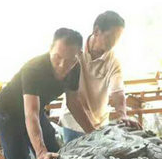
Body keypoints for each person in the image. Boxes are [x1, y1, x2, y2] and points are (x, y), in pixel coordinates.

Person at [0, 28, 96, 159]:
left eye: (69, 61)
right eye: (57, 57)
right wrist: (41, 152)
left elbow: (74, 103)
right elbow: (30, 113)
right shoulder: (34, 69)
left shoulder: (75, 68)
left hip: (35, 111)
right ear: (50, 49)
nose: (62, 65)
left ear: (78, 55)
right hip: (8, 114)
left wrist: (93, 132)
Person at [58, 11, 135, 143]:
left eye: (118, 38)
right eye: (111, 37)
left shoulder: (113, 60)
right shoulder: (75, 52)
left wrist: (122, 114)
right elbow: (72, 100)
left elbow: (118, 91)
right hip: (73, 121)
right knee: (74, 155)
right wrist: (92, 132)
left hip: (99, 123)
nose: (114, 43)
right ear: (96, 31)